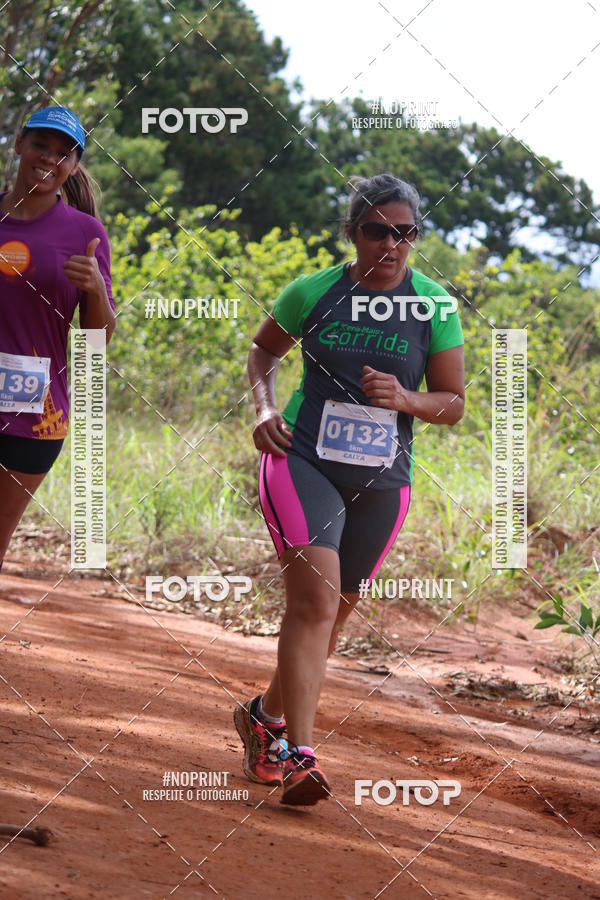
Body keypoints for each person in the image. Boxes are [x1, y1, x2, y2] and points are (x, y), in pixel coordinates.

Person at [234, 173, 465, 806]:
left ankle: (263, 717)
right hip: (301, 460)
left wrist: (407, 398)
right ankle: (297, 755)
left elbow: (453, 403)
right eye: (376, 231)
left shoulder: (434, 307)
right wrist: (262, 409)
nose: (390, 244)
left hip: (383, 480)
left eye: (404, 232)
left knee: (332, 615)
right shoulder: (313, 291)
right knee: (312, 603)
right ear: (352, 232)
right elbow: (262, 352)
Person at [0, 106, 115, 573]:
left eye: (63, 153)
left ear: (73, 166)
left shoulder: (85, 233)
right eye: (40, 146)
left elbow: (96, 338)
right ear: (19, 145)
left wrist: (94, 288)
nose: (49, 158)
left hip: (36, 414)